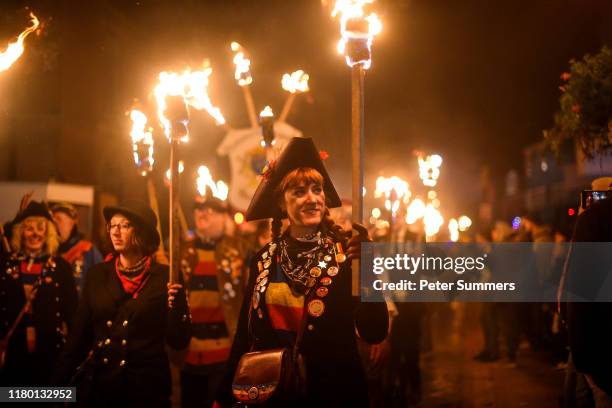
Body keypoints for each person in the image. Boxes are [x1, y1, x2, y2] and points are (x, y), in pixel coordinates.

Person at [216, 137, 389, 406]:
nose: (312, 199)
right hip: (275, 395)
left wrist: (366, 265)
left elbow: (374, 331)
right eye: (299, 192)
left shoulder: (347, 255)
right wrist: (224, 397)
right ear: (282, 204)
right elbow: (245, 336)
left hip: (335, 394)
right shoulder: (263, 260)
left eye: (317, 189)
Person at [53, 200, 191, 406]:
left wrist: (178, 305)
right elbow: (77, 341)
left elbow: (178, 341)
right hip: (101, 391)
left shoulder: (166, 277)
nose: (116, 232)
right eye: (112, 225)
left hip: (146, 393)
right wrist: (53, 391)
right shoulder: (97, 275)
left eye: (125, 225)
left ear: (142, 231)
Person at [179, 195, 252, 408]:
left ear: (224, 218)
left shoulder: (239, 250)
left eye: (211, 209)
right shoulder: (182, 249)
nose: (202, 213)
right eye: (198, 208)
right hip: (189, 355)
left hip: (224, 355)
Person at [0, 201, 78, 385]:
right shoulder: (5, 265)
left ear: (49, 233)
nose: (35, 234)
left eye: (41, 228)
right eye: (29, 228)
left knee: (49, 401)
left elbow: (73, 316)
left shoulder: (61, 268)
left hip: (50, 357)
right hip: (13, 357)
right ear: (20, 232)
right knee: (13, 399)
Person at [51, 202, 104, 293]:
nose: (54, 225)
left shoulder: (88, 251)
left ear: (72, 222)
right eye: (53, 221)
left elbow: (100, 285)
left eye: (59, 219)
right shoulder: (49, 252)